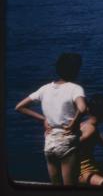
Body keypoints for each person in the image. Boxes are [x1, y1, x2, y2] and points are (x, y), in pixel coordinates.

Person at [15, 53, 87, 185]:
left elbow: (19, 107)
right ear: (76, 70)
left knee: (55, 186)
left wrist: (43, 119)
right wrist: (74, 122)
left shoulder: (45, 89)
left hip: (50, 141)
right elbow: (82, 109)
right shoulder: (75, 89)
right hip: (67, 140)